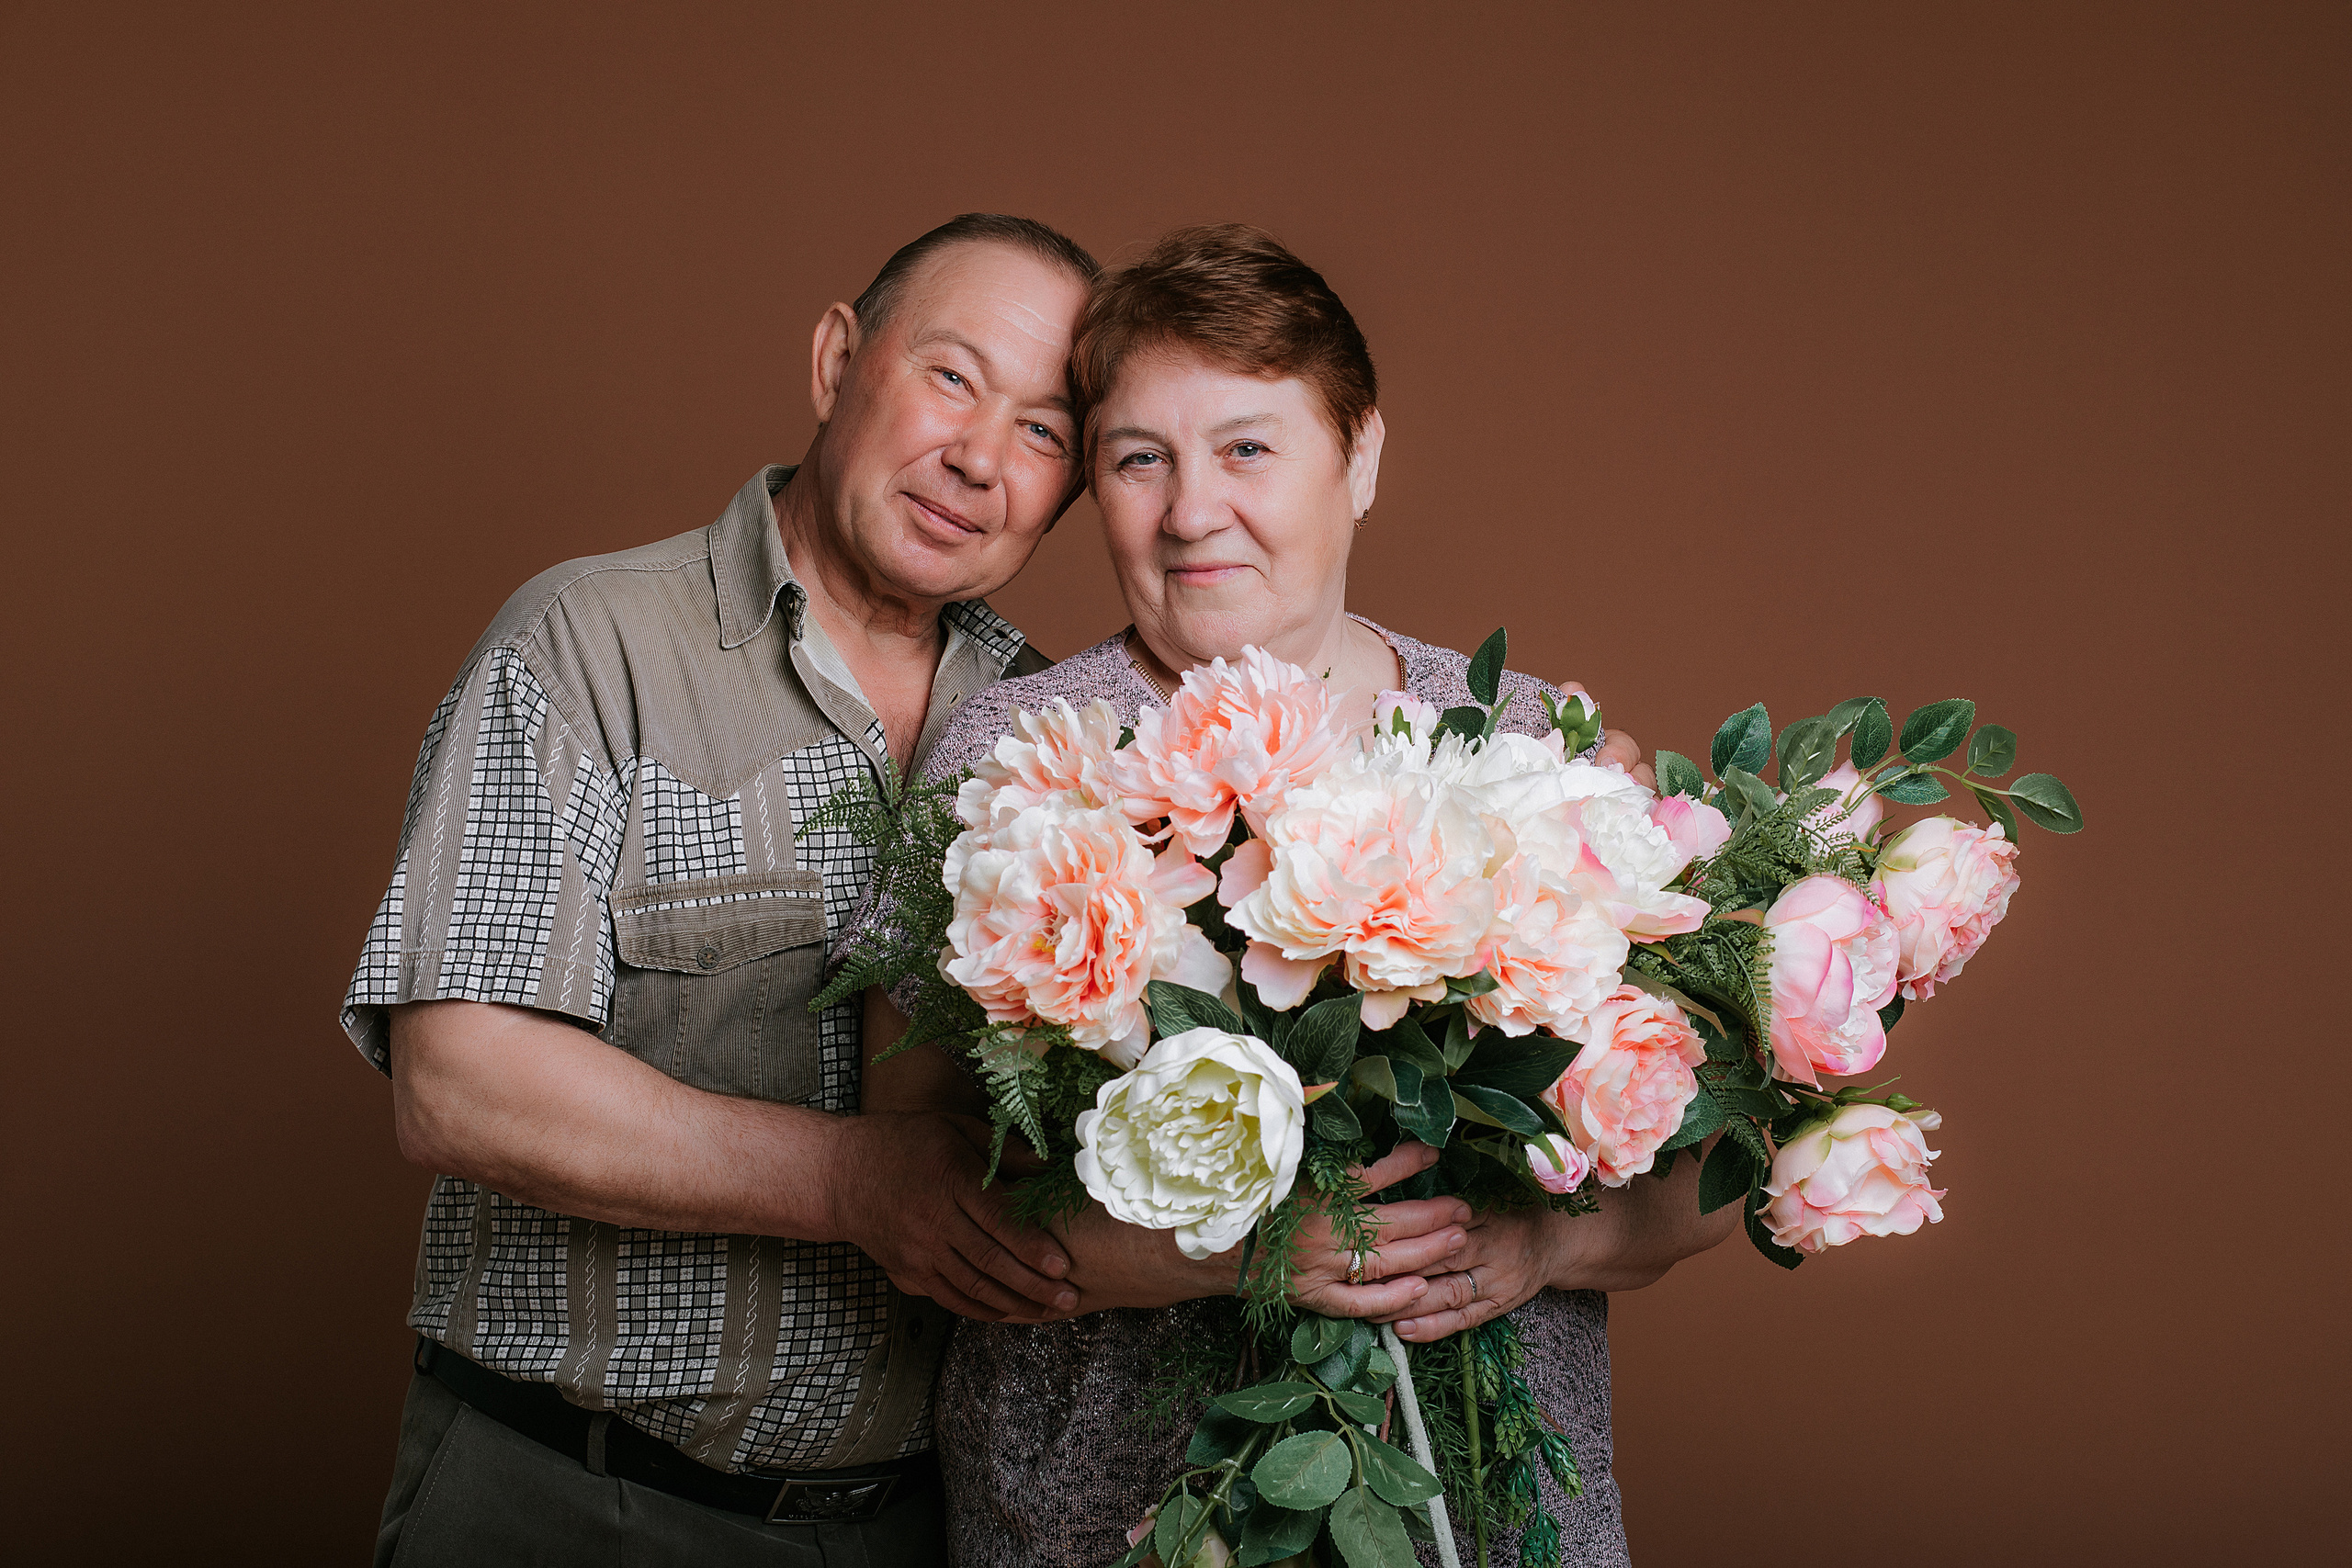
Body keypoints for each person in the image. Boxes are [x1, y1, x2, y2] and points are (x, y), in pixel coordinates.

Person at [862, 225, 1738, 1567]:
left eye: (1249, 448)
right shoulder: (1020, 763)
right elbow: (920, 1170)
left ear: (1364, 456)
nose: (1192, 510)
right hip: (1117, 1524)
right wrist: (1234, 1253)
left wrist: (1539, 1249)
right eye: (1139, 460)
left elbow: (1703, 1162)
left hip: (1498, 1517)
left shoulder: (1531, 745)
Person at [341, 214, 1131, 1565]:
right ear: (836, 359)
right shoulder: (592, 643)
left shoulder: (1063, 735)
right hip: (571, 1502)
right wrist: (855, 1185)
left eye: (1045, 432)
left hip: (907, 1526)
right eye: (951, 377)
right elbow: (458, 1078)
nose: (980, 461)